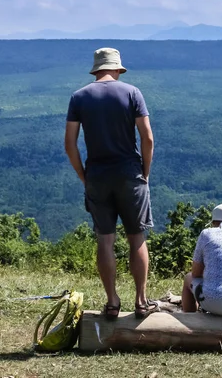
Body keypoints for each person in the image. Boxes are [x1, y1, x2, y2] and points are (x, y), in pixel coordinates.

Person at [65, 47, 157, 320]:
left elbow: (70, 144)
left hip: (97, 174)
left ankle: (113, 302)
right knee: (136, 237)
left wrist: (84, 175)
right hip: (130, 173)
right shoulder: (132, 93)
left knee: (105, 240)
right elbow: (147, 138)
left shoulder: (79, 97)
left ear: (96, 69)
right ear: (117, 69)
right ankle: (141, 301)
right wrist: (145, 172)